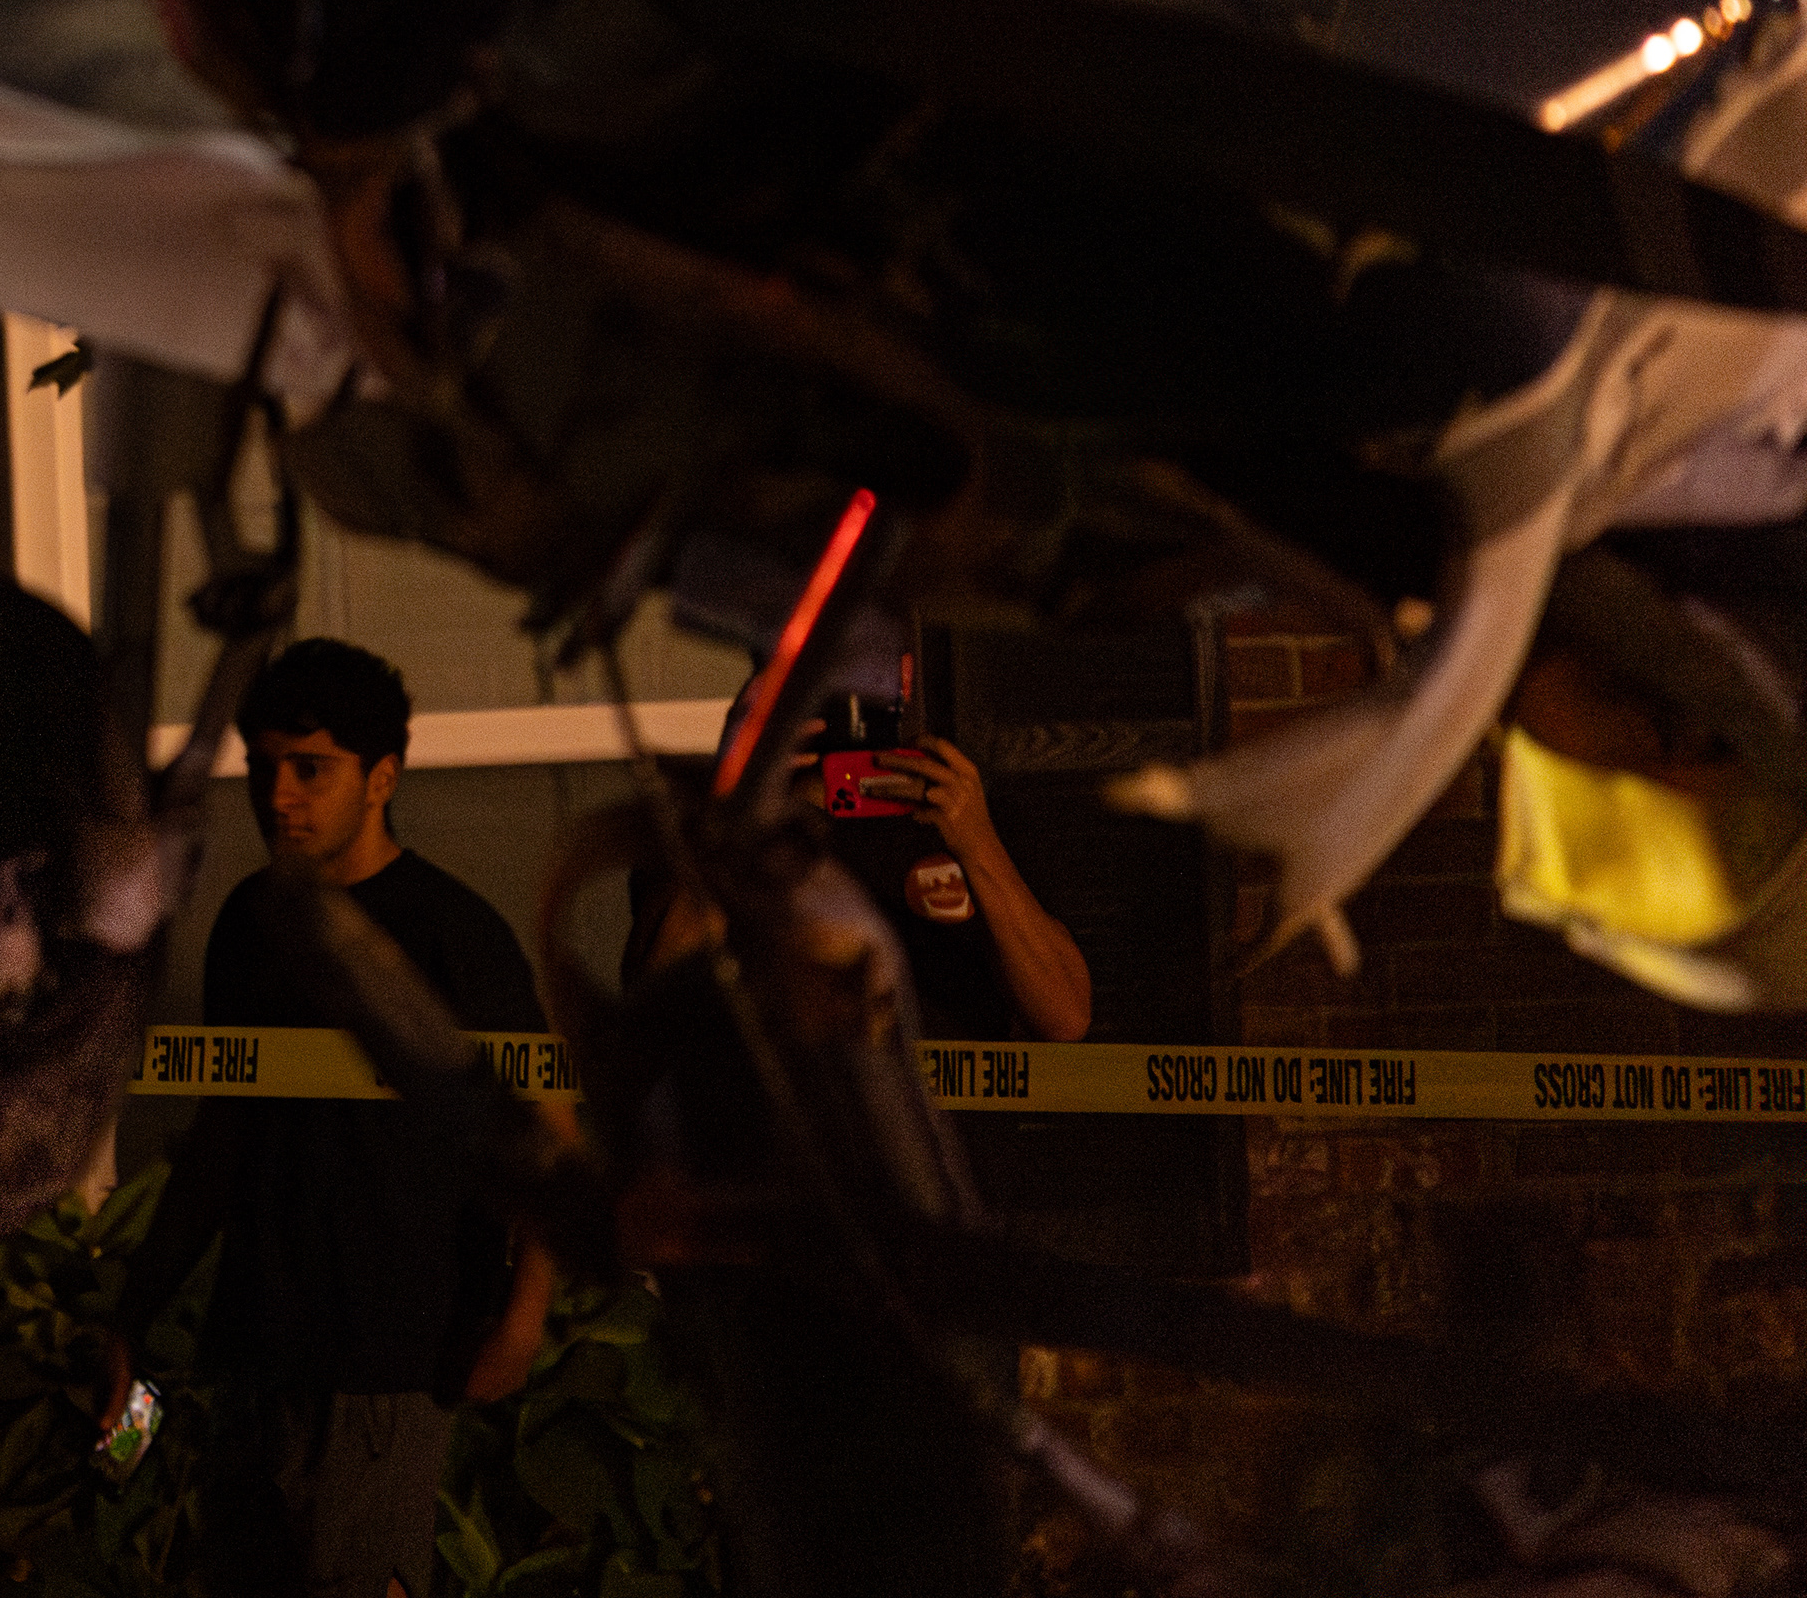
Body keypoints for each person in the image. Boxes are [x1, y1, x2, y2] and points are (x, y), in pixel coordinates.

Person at [113, 639, 552, 1598]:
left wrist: (520, 1322)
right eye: (267, 767)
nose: (280, 796)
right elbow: (220, 1138)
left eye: (311, 768)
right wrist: (133, 1311)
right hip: (257, 1346)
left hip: (389, 1349)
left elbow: (541, 1137)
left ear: (382, 775)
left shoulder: (456, 935)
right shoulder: (250, 922)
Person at [632, 694, 1093, 1043]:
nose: (866, 704)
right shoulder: (710, 829)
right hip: (806, 1129)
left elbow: (1066, 1014)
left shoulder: (968, 815)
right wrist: (744, 811)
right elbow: (657, 989)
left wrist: (977, 842)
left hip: (939, 1139)